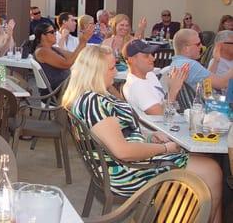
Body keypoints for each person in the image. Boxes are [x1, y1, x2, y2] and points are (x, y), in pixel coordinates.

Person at [61, 46, 223, 222]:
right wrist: (164, 148)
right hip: (128, 172)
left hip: (122, 165)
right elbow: (123, 151)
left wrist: (148, 137)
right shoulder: (93, 101)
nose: (115, 72)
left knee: (204, 164)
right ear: (95, 72)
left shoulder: (91, 97)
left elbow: (119, 135)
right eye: (111, 68)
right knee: (211, 170)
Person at [122, 39, 188, 115]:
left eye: (151, 54)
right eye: (146, 56)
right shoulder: (137, 86)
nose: (153, 58)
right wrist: (173, 90)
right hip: (161, 125)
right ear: (132, 60)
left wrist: (172, 85)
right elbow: (160, 116)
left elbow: (163, 101)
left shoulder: (149, 74)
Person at [32, 22, 91, 96]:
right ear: (43, 36)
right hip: (57, 90)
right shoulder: (42, 52)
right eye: (52, 32)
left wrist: (84, 41)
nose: (56, 34)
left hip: (65, 85)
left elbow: (74, 56)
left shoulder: (53, 49)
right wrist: (82, 42)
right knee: (92, 81)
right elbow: (67, 64)